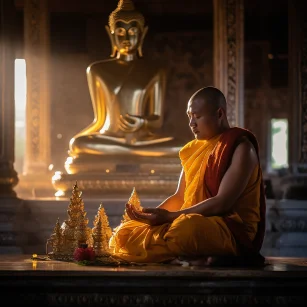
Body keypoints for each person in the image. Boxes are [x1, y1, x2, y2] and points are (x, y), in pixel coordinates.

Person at [109, 86, 266, 266]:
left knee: (185, 231)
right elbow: (180, 196)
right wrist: (150, 219)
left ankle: (193, 253)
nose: (192, 123)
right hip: (190, 219)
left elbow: (223, 202)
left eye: (197, 117)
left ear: (220, 114)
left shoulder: (241, 148)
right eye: (189, 116)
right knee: (125, 233)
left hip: (228, 229)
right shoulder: (193, 149)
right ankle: (195, 255)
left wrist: (169, 218)